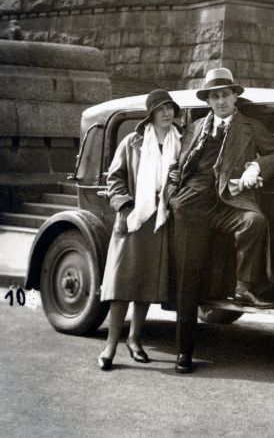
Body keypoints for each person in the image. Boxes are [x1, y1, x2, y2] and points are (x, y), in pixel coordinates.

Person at [167, 66, 274, 374]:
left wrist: (255, 168)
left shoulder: (250, 127)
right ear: (208, 101)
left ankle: (244, 287)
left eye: (225, 95)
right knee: (189, 279)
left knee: (254, 222)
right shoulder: (194, 128)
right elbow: (178, 164)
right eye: (214, 97)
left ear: (234, 97)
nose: (220, 101)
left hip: (227, 202)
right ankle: (184, 352)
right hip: (190, 207)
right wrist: (173, 192)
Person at [98, 89, 182, 370]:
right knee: (122, 286)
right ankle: (110, 345)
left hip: (159, 221)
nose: (167, 113)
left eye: (170, 108)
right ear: (151, 115)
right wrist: (126, 207)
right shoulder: (132, 142)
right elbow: (115, 178)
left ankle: (135, 340)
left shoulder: (180, 143)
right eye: (161, 109)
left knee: (146, 286)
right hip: (134, 220)